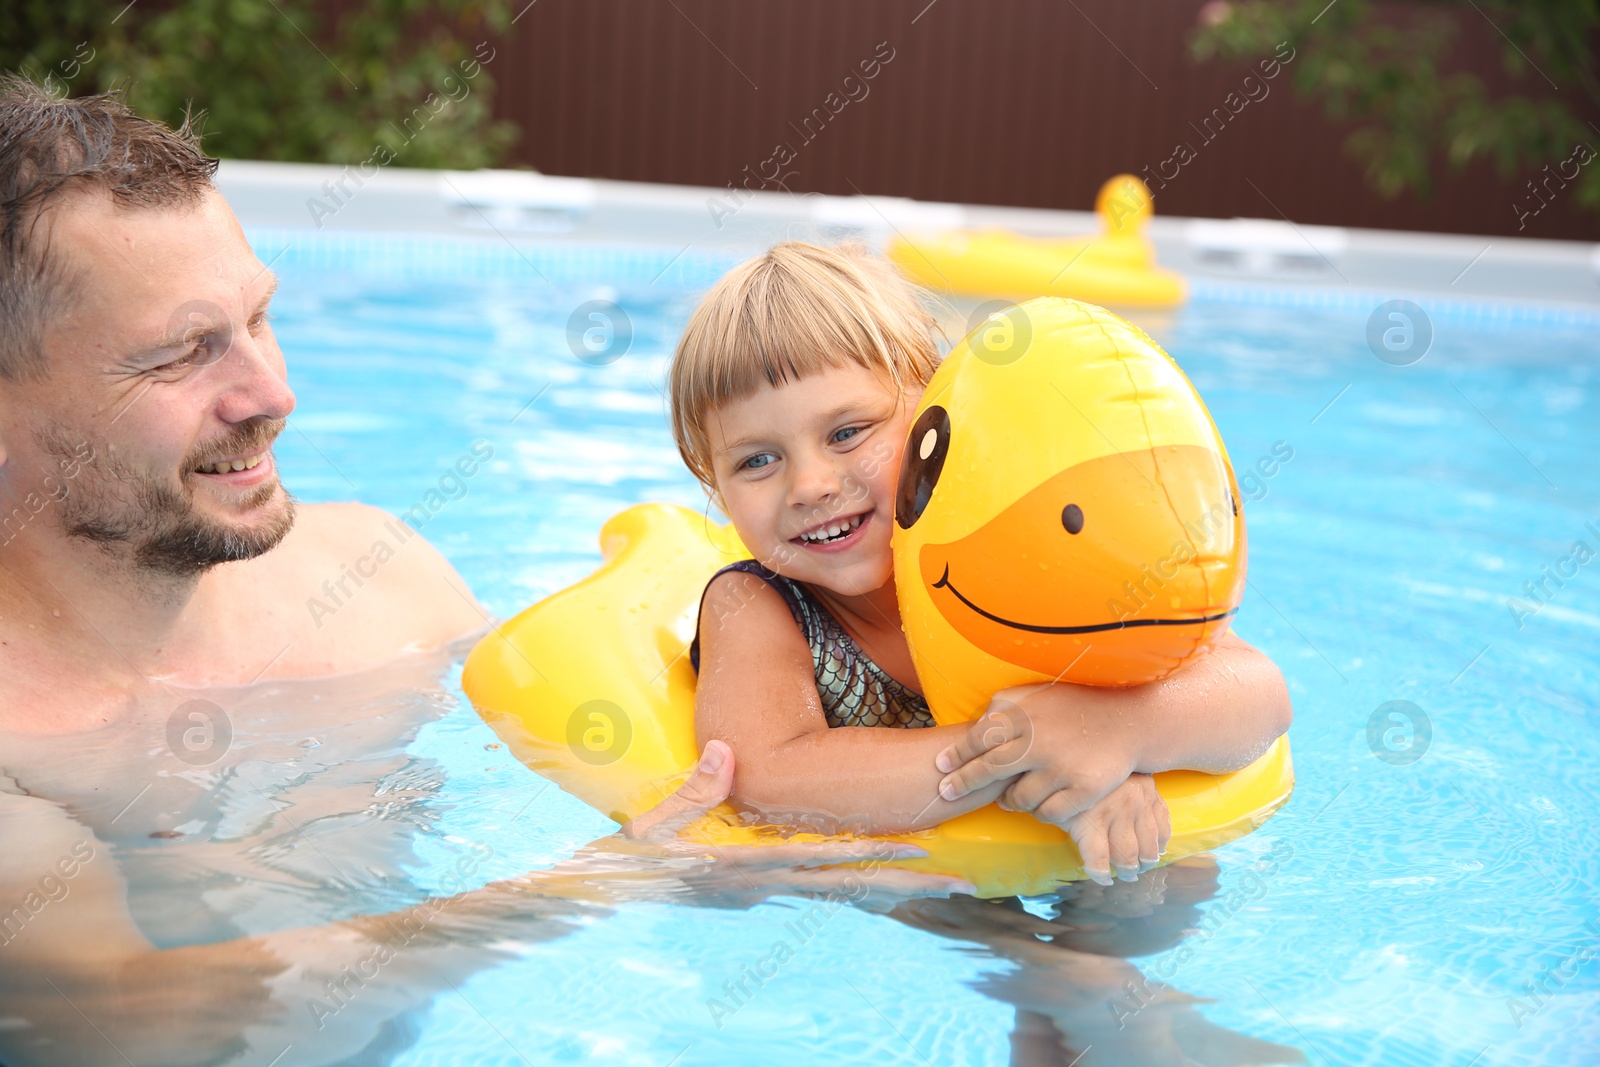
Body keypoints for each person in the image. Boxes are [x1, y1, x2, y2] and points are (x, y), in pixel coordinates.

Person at [0, 79, 965, 1067]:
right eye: (181, 354)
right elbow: (137, 1020)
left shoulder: (382, 583)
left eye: (259, 319)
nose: (273, 391)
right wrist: (607, 881)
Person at [671, 241, 1294, 885]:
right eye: (756, 461)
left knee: (1172, 879)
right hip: (918, 887)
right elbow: (768, 777)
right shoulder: (756, 607)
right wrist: (1028, 754)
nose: (810, 484)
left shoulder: (1025, 557)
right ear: (712, 483)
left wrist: (1116, 732)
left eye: (847, 432)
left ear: (932, 410)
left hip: (1103, 859)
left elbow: (1260, 695)